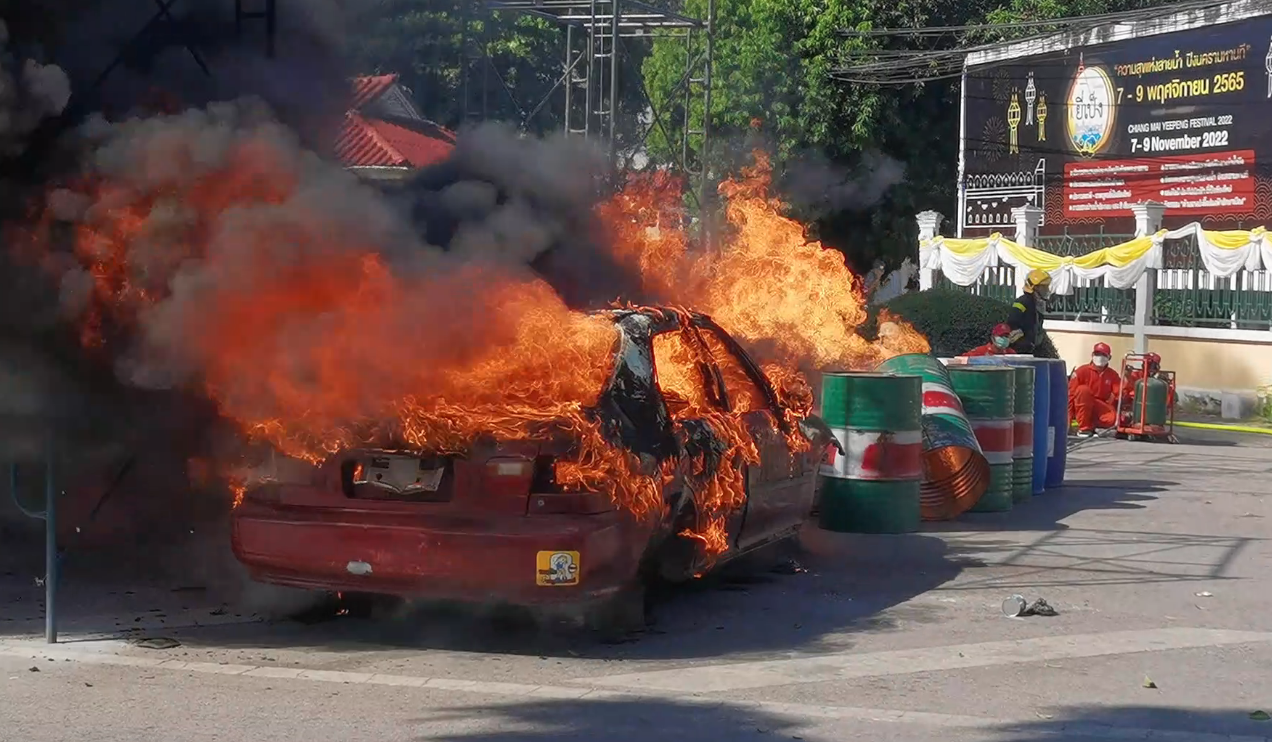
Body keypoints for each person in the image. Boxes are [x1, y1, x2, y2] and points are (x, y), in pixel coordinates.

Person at [1068, 342, 1121, 437]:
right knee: (1083, 390)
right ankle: (1084, 429)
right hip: (1082, 405)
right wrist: (1068, 420)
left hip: (1099, 405)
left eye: (1103, 355)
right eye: (1097, 354)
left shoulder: (1113, 375)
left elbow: (1119, 393)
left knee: (1112, 418)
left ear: (1109, 357)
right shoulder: (1081, 371)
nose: (1100, 357)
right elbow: (1070, 396)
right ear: (1092, 355)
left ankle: (1094, 427)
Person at [1006, 269, 1052, 354]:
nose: (1047, 289)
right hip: (1021, 350)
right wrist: (1022, 337)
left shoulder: (1036, 303)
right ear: (1034, 287)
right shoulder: (1022, 302)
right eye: (1044, 287)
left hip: (1032, 348)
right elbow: (1012, 321)